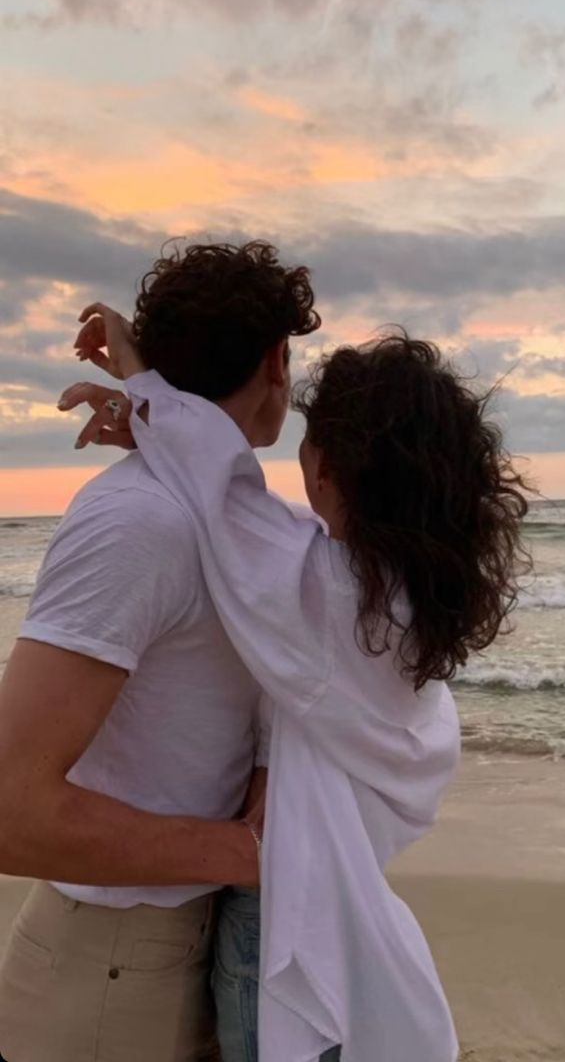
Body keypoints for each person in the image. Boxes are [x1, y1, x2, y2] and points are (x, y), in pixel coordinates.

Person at [64, 304, 531, 1062]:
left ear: (325, 469)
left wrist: (143, 385)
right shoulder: (404, 597)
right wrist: (150, 422)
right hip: (345, 890)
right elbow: (259, 526)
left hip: (281, 916)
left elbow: (229, 500)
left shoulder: (326, 596)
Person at [0, 241, 321, 1062]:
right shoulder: (139, 522)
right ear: (276, 361)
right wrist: (251, 852)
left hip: (197, 942)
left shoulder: (232, 521)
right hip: (107, 960)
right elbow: (8, 804)